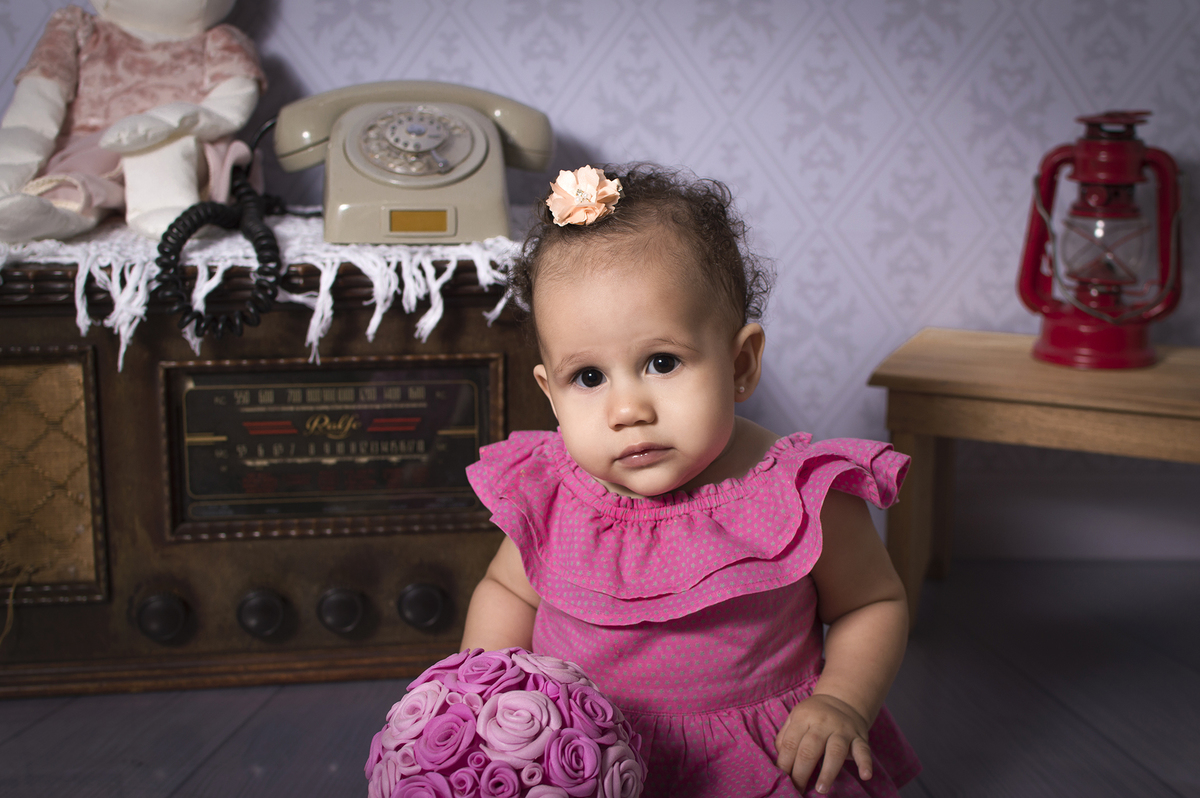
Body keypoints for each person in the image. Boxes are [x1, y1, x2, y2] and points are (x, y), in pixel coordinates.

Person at [461, 163, 920, 797]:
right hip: (581, 762)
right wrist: (484, 689)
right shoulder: (554, 491)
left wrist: (843, 702)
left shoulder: (796, 494)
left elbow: (872, 603)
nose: (628, 410)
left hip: (761, 763)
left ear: (740, 363)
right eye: (588, 378)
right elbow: (508, 592)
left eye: (661, 362)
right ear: (551, 393)